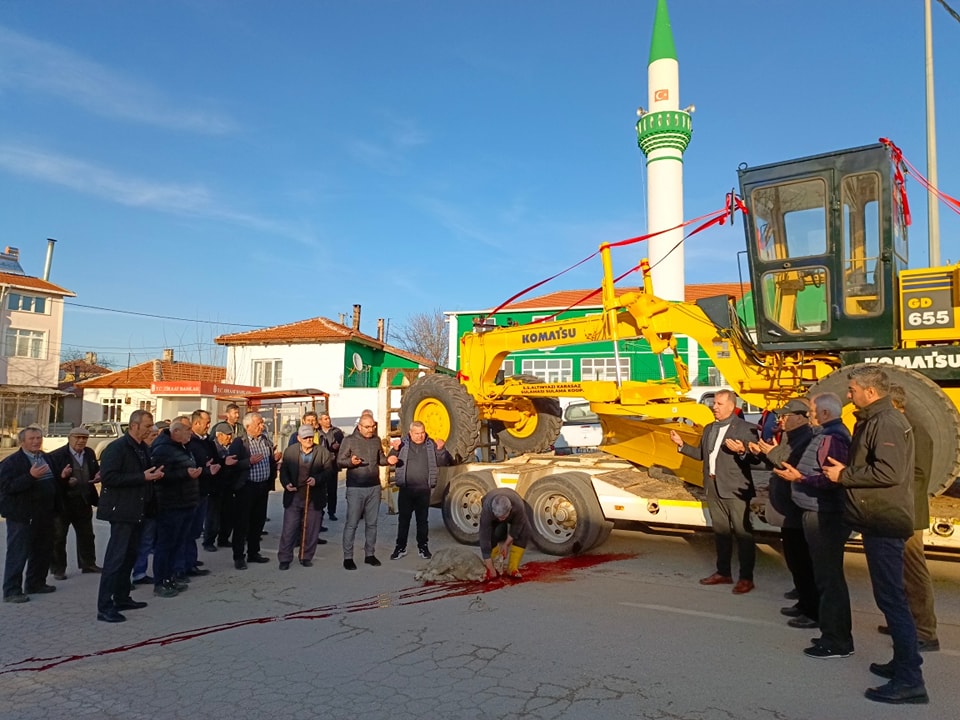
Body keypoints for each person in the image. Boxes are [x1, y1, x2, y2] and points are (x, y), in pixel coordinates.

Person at [823, 366, 927, 704]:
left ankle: (911, 679)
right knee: (889, 598)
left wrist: (844, 475)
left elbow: (888, 471)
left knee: (892, 600)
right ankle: (902, 662)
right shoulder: (873, 419)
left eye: (852, 389)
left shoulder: (887, 422)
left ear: (870, 391)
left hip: (884, 520)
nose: (848, 394)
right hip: (875, 518)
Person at [775, 392, 854, 661]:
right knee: (825, 577)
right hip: (819, 512)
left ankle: (837, 641)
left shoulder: (833, 438)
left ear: (825, 414)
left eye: (811, 410)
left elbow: (832, 479)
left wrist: (800, 478)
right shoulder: (828, 434)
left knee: (829, 579)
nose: (809, 414)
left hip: (824, 515)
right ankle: (832, 634)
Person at [669, 389, 758, 593]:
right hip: (712, 487)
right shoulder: (709, 428)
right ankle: (723, 573)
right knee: (721, 533)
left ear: (731, 406)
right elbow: (702, 454)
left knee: (743, 535)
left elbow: (757, 459)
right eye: (714, 403)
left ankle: (746, 578)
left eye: (718, 404)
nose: (714, 407)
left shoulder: (746, 429)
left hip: (735, 489)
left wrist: (742, 451)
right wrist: (682, 445)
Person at [744, 399, 818, 627]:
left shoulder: (807, 438)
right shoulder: (792, 436)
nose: (781, 420)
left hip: (797, 508)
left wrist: (773, 453)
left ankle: (811, 609)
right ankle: (803, 601)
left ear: (800, 416)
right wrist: (766, 454)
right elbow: (778, 463)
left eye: (785, 416)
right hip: (788, 507)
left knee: (803, 561)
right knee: (795, 560)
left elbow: (792, 464)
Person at [884, 385, 939, 652]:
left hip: (909, 513)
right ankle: (904, 622)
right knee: (900, 572)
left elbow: (917, 476)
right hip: (899, 510)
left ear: (895, 404)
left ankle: (926, 631)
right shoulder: (902, 428)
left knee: (915, 572)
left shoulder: (915, 431)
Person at [96, 410, 164, 623]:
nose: (150, 429)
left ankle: (122, 597)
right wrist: (141, 477)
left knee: (129, 557)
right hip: (122, 511)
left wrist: (153, 475)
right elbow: (108, 477)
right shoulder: (117, 448)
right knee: (115, 559)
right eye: (147, 426)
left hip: (138, 510)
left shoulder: (143, 448)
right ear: (134, 425)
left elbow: (143, 475)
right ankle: (105, 606)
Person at [1, 426, 59, 603]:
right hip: (22, 516)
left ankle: (35, 583)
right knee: (18, 553)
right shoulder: (12, 462)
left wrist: (63, 478)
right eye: (32, 438)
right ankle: (11, 591)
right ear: (22, 441)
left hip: (45, 514)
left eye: (38, 438)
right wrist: (30, 476)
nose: (36, 441)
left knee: (42, 551)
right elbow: (6, 488)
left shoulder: (47, 458)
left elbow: (52, 482)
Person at [147, 416, 201, 598]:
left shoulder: (181, 447)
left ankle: (171, 577)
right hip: (171, 504)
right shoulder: (163, 449)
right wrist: (185, 474)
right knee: (165, 544)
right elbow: (160, 475)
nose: (190, 434)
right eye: (187, 431)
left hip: (185, 501)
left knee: (178, 543)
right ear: (176, 431)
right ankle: (160, 581)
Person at [337, 413, 397, 570]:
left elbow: (381, 460)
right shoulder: (349, 440)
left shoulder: (376, 440)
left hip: (374, 487)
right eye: (368, 427)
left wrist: (391, 457)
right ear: (360, 427)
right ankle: (348, 557)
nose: (371, 429)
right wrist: (351, 462)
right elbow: (339, 462)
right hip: (355, 488)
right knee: (352, 524)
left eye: (373, 426)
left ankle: (370, 554)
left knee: (372, 524)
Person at [389, 421, 452, 560]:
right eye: (417, 433)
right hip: (406, 489)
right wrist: (394, 452)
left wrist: (441, 450)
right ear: (410, 433)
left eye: (422, 432)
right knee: (404, 520)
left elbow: (445, 462)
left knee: (422, 521)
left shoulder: (431, 445)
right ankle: (400, 547)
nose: (420, 436)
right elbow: (391, 458)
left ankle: (423, 547)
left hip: (424, 490)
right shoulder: (402, 444)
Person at [47, 427, 101, 580]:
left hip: (83, 500)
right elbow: (51, 479)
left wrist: (98, 475)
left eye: (84, 438)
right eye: (77, 437)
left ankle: (88, 564)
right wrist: (64, 479)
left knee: (87, 535)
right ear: (69, 438)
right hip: (63, 503)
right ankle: (58, 569)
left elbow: (94, 470)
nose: (81, 440)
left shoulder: (89, 453)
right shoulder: (57, 455)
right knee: (58, 537)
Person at [277, 425, 333, 569]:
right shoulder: (290, 451)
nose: (308, 440)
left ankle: (306, 556)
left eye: (310, 437)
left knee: (311, 529)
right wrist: (286, 483)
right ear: (298, 439)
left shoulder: (322, 452)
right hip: (294, 495)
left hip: (314, 496)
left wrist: (317, 479)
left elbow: (329, 472)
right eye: (305, 437)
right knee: (289, 528)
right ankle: (284, 558)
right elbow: (284, 471)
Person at [230, 412, 277, 570]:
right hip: (246, 487)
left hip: (262, 486)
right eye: (258, 423)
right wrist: (247, 462)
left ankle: (253, 552)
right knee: (242, 523)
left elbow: (269, 459)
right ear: (248, 426)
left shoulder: (265, 440)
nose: (262, 426)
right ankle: (238, 556)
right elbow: (232, 465)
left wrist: (274, 461)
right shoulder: (240, 442)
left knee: (258, 521)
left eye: (262, 423)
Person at [186, 409, 220, 568]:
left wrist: (221, 463)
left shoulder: (208, 441)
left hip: (205, 489)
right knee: (188, 530)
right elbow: (188, 466)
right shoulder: (188, 443)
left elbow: (216, 459)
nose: (209, 426)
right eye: (207, 422)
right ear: (196, 423)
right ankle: (185, 565)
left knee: (195, 530)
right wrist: (205, 468)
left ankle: (191, 561)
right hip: (192, 492)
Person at [478, 487, 531, 580]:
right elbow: (484, 538)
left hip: (514, 504)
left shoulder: (518, 506)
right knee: (490, 535)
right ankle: (495, 563)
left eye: (503, 517)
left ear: (510, 510)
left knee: (525, 531)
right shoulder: (487, 510)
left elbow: (517, 527)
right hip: (491, 505)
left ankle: (512, 568)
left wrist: (506, 544)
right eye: (498, 517)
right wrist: (490, 567)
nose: (501, 519)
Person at [131, 424, 161, 586]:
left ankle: (140, 573)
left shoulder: (153, 451)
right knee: (130, 543)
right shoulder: (132, 450)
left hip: (151, 503)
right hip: (134, 505)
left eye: (156, 434)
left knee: (146, 541)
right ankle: (125, 577)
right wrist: (143, 477)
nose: (153, 436)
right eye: (151, 433)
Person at [317, 412, 344, 521]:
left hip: (332, 464)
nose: (328, 421)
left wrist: (338, 447)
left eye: (328, 418)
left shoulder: (337, 431)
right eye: (325, 419)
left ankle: (332, 512)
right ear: (320, 421)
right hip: (320, 465)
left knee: (332, 490)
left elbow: (344, 445)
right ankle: (320, 512)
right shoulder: (316, 432)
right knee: (321, 491)